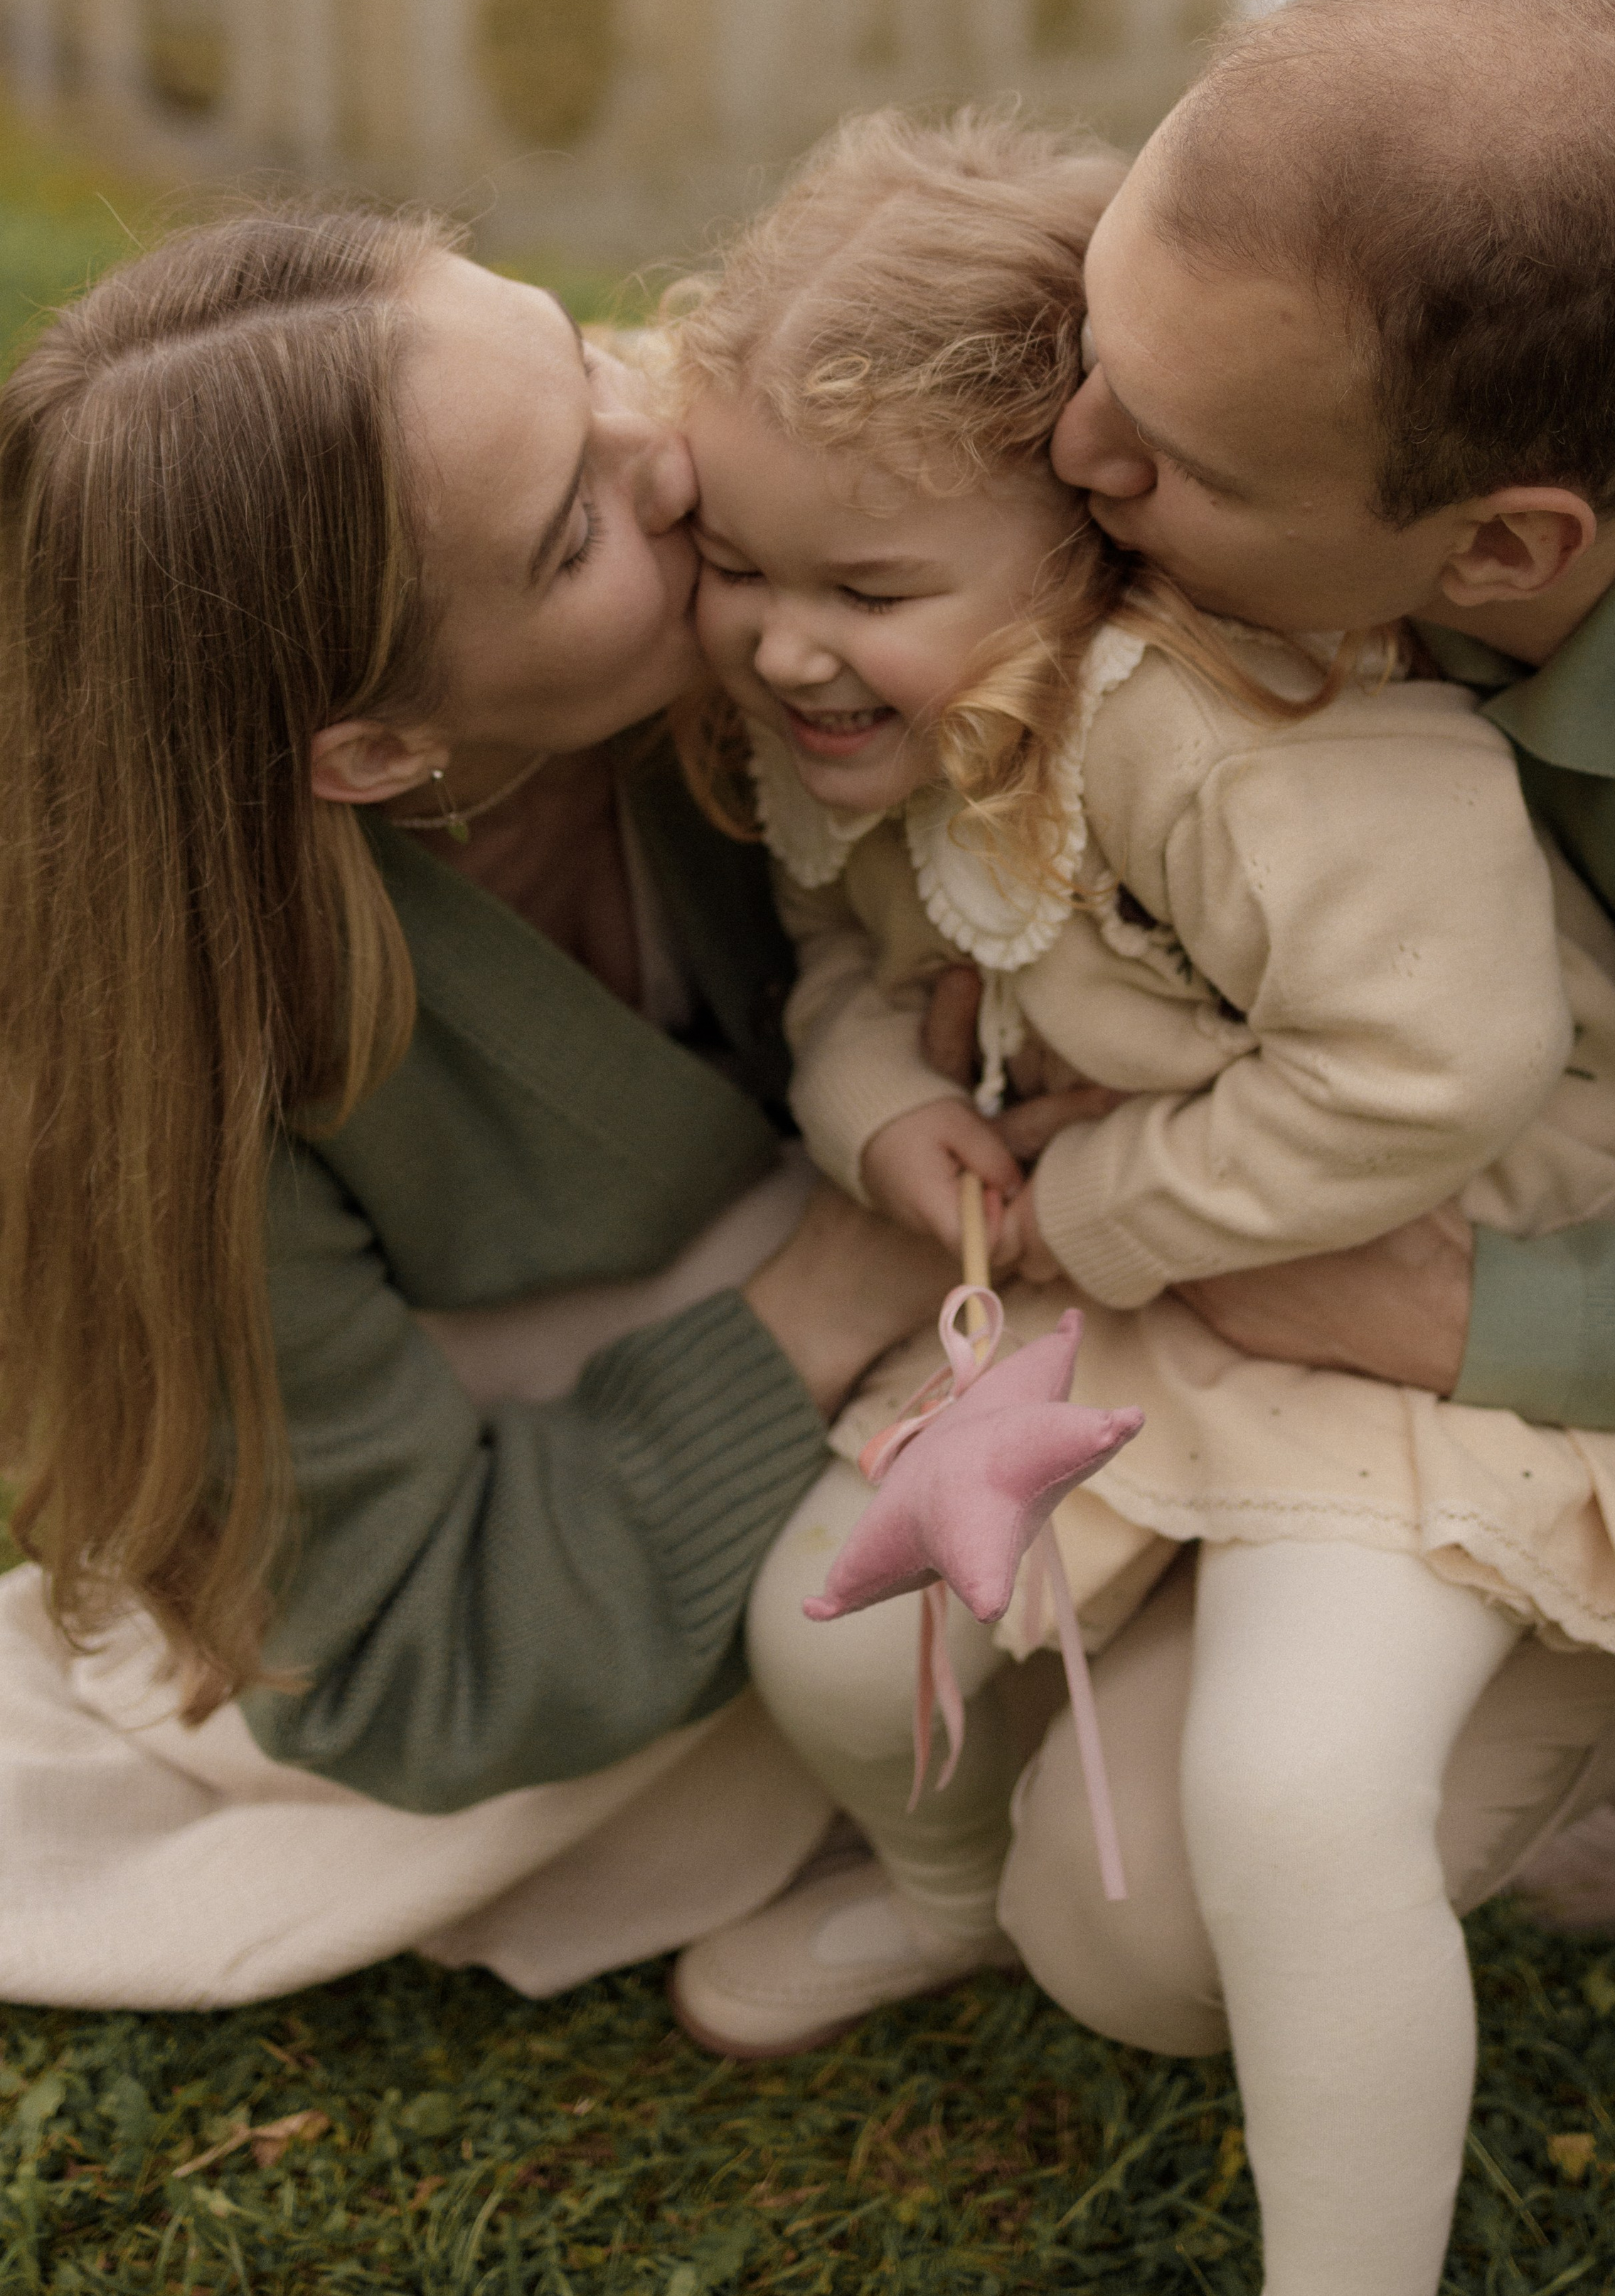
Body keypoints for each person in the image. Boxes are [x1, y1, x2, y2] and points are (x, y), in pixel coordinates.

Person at [644, 106, 1615, 2296]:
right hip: (1163, 1270)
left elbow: (1439, 1062)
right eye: (741, 564)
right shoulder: (877, 712)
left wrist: (1099, 1205)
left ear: (1086, 549)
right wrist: (882, 1108)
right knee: (836, 1644)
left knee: (1294, 1794)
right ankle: (948, 1900)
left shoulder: (1222, 723)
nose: (783, 649)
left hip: (1446, 1292)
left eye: (863, 590)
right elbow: (847, 956)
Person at [987, 0, 1615, 2079]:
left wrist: (1495, 1320)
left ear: (1504, 552)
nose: (1070, 448)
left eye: (1180, 457)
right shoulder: (1328, 393)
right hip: (1395, 1246)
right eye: (1095, 344)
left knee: (1145, 1931)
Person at [0, 204, 957, 2010]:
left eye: (578, 353)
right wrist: (827, 1294)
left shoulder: (784, 535)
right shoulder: (141, 1056)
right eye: (573, 532)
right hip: (557, 1543)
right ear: (376, 750)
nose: (666, 450)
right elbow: (394, 1652)